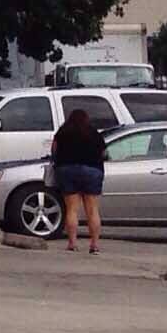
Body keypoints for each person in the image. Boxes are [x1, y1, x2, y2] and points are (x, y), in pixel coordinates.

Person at [53, 103, 110, 253]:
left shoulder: (62, 132)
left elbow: (54, 151)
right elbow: (104, 154)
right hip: (92, 171)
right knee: (92, 210)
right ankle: (94, 245)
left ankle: (72, 243)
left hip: (67, 170)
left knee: (72, 209)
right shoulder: (94, 133)